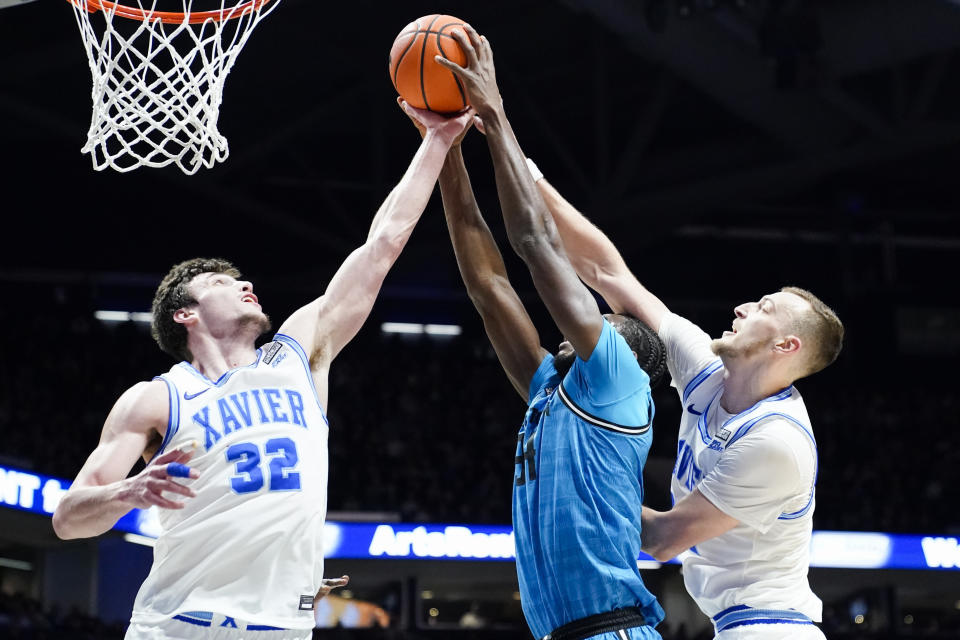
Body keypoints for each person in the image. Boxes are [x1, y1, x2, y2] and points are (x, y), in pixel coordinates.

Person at [51, 104, 473, 639]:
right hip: (178, 624)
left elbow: (381, 246)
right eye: (223, 283)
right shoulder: (155, 399)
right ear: (186, 314)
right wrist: (130, 492)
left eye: (243, 278)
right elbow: (67, 520)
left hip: (282, 628)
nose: (244, 283)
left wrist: (436, 142)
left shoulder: (299, 354)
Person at [516, 105, 844, 640]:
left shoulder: (777, 443)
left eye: (763, 307)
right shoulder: (709, 368)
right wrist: (531, 181)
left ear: (787, 346)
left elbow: (667, 538)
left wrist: (579, 481)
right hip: (737, 626)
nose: (742, 307)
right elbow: (608, 274)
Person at [429, 27, 666, 640]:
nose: (582, 323)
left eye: (602, 321)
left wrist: (495, 114)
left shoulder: (618, 381)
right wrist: (445, 149)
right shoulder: (550, 392)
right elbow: (489, 286)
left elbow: (536, 246)